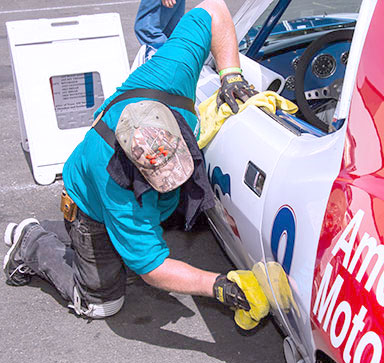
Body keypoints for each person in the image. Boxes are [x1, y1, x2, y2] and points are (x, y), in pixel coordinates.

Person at [3, 0, 262, 324]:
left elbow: (214, 10)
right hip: (91, 207)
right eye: (159, 179)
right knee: (102, 304)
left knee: (132, 242)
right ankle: (32, 241)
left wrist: (231, 76)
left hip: (118, 193)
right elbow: (153, 270)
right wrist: (218, 285)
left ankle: (94, 243)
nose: (176, 180)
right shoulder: (119, 190)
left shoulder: (170, 74)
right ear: (135, 174)